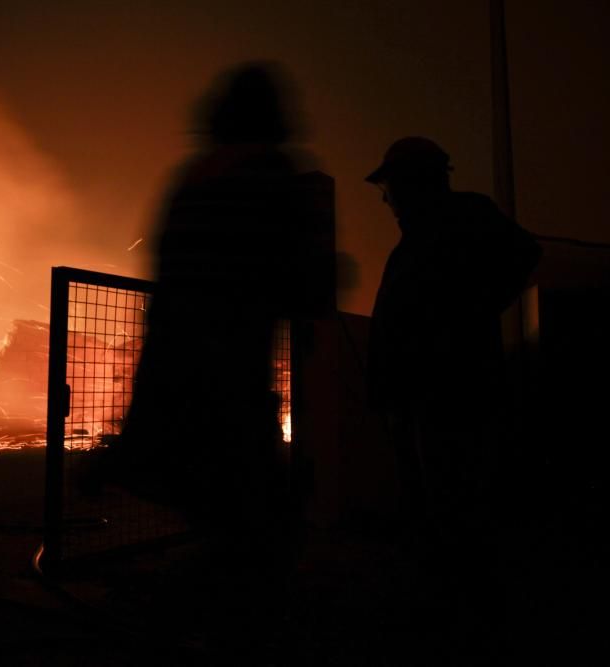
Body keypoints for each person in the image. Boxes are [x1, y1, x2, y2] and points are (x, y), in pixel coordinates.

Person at [100, 62, 332, 658]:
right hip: (232, 397)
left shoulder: (192, 180)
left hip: (177, 392)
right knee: (255, 548)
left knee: (227, 537)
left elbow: (173, 296)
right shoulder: (271, 177)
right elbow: (306, 289)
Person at [365, 136, 541, 635]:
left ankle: (464, 621)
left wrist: (467, 312)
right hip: (425, 397)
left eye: (392, 186)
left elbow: (524, 253)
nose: (388, 199)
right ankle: (457, 613)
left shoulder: (455, 222)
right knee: (437, 507)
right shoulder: (425, 236)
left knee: (452, 508)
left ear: (414, 181)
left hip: (446, 396)